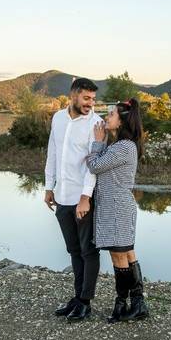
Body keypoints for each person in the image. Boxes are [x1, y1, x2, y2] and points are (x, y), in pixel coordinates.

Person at [85, 98, 148, 323]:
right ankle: (138, 303)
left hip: (117, 208)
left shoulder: (123, 146)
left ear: (121, 121)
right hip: (118, 206)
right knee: (127, 253)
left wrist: (97, 142)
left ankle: (122, 306)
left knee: (119, 255)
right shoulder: (122, 145)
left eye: (110, 114)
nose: (106, 118)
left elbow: (94, 165)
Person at [45, 77, 103, 322]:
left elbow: (94, 165)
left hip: (83, 198)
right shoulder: (58, 118)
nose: (90, 103)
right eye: (86, 98)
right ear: (73, 95)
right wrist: (49, 187)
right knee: (73, 250)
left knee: (88, 251)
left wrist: (85, 197)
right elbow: (53, 153)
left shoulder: (96, 123)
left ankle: (85, 302)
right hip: (62, 196)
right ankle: (77, 296)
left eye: (93, 99)